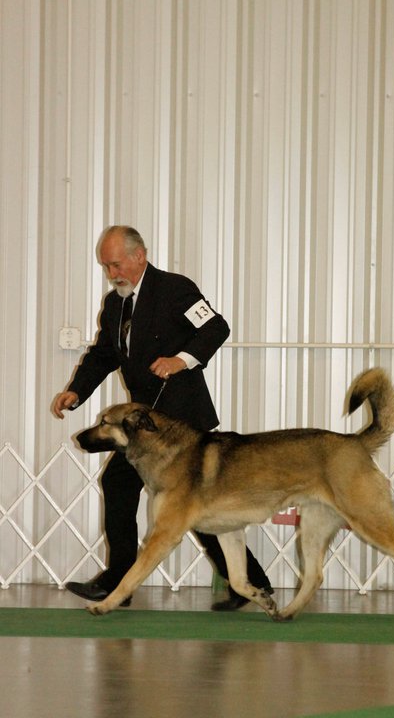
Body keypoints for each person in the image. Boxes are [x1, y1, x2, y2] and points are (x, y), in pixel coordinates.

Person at [53, 225, 272, 610]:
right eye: (106, 267)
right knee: (120, 485)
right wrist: (76, 391)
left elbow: (216, 327)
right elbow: (104, 355)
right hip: (142, 429)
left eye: (116, 264)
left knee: (196, 506)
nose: (112, 273)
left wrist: (180, 360)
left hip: (182, 423)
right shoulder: (115, 304)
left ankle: (249, 584)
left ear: (139, 256)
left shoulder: (174, 289)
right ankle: (119, 581)